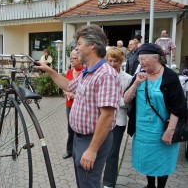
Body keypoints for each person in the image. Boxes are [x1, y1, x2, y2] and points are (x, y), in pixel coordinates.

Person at [36, 24, 121, 188]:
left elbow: (107, 115)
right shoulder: (88, 72)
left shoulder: (106, 75)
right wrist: (49, 70)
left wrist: (92, 150)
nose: (77, 48)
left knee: (88, 183)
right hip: (79, 138)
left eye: (80, 44)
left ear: (92, 45)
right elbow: (69, 86)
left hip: (92, 140)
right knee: (83, 182)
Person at [124, 43, 186, 188]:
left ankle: (161, 186)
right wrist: (136, 84)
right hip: (143, 131)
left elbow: (178, 107)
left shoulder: (170, 77)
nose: (141, 62)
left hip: (163, 129)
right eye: (139, 59)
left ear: (156, 58)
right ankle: (150, 185)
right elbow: (126, 99)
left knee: (163, 160)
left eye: (144, 59)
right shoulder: (140, 75)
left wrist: (170, 131)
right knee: (147, 160)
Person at [103, 47, 132, 188]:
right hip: (100, 120)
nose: (113, 64)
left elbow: (128, 103)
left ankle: (108, 183)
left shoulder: (127, 79)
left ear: (121, 62)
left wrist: (111, 101)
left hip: (118, 122)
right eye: (110, 60)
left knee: (112, 154)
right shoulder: (102, 75)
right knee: (98, 152)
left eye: (116, 61)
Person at [62, 50, 85, 160]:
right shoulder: (70, 72)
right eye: (71, 58)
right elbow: (65, 86)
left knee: (78, 128)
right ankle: (69, 150)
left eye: (74, 58)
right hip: (69, 104)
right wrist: (67, 93)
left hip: (80, 105)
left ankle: (79, 151)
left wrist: (75, 95)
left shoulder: (85, 71)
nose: (72, 60)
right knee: (70, 128)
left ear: (80, 59)